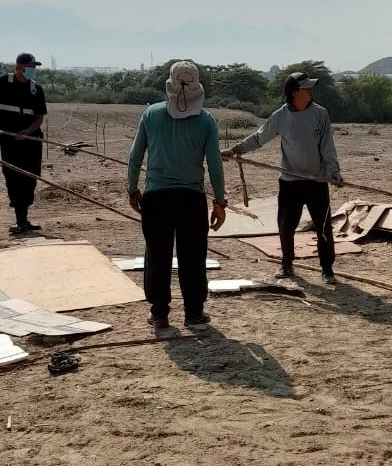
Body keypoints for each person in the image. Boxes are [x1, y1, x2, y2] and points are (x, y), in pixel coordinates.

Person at [127, 61, 227, 331]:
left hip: (156, 198)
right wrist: (220, 201)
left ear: (170, 82)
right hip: (191, 199)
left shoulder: (151, 114)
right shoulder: (206, 120)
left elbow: (135, 157)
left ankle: (159, 313)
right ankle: (194, 313)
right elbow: (215, 164)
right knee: (193, 257)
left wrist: (132, 188)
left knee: (157, 255)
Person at [224, 71, 343, 285]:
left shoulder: (320, 114)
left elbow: (328, 148)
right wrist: (237, 150)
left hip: (317, 181)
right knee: (286, 226)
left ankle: (327, 269)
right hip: (289, 181)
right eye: (306, 88)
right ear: (294, 92)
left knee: (323, 227)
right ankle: (287, 264)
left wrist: (334, 172)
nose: (310, 91)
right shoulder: (280, 116)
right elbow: (260, 137)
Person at [0, 53, 47, 234]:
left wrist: (27, 132)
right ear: (19, 67)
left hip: (31, 140)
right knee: (13, 177)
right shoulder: (3, 82)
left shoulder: (36, 89)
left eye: (34, 67)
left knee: (30, 177)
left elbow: (39, 118)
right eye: (30, 67)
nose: (33, 70)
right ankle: (19, 221)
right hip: (9, 141)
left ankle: (25, 219)